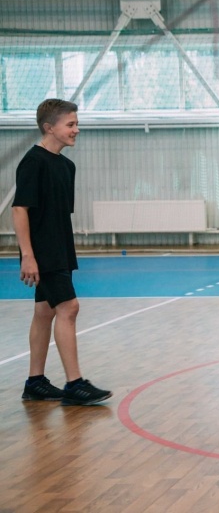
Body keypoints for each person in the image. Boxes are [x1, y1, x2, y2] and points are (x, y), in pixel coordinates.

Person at [13, 99, 113, 407]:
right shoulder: (33, 162)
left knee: (45, 312)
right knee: (69, 308)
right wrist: (28, 255)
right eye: (70, 124)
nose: (76, 129)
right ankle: (74, 384)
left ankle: (35, 382)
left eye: (76, 124)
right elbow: (20, 210)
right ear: (49, 128)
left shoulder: (67, 166)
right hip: (43, 252)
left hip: (60, 249)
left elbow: (58, 214)